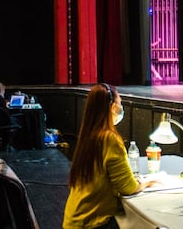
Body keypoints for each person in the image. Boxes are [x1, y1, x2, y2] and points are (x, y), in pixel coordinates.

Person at [63, 84, 157, 229]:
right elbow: (128, 188)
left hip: (74, 220)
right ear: (112, 107)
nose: (121, 108)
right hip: (92, 223)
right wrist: (147, 182)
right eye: (120, 103)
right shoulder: (109, 139)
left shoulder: (89, 135)